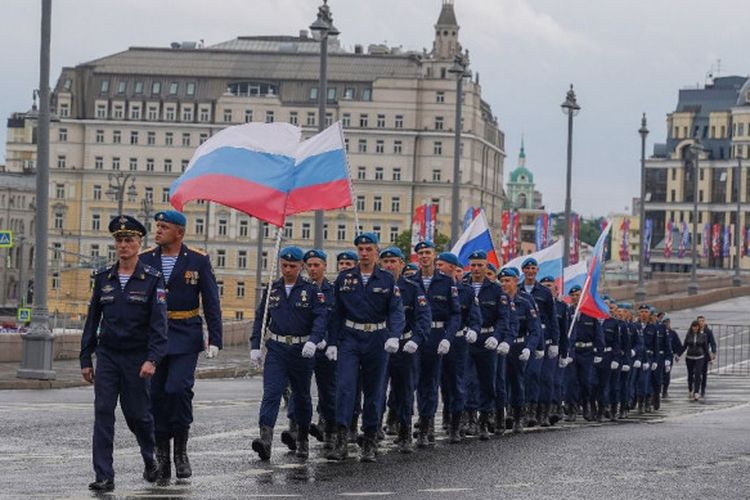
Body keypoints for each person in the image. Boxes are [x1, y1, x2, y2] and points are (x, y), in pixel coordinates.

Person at [80, 215, 168, 492]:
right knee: (104, 412)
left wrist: (152, 359)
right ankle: (104, 475)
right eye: (119, 240)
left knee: (137, 415)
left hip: (137, 358)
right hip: (107, 356)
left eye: (128, 239)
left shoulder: (152, 280)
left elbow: (159, 326)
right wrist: (85, 358)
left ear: (139, 243)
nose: (123, 245)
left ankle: (149, 456)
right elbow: (92, 321)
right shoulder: (103, 278)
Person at [139, 210, 222, 480]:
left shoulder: (197, 260)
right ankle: (162, 456)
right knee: (156, 395)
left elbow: (211, 301)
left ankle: (181, 451)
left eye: (164, 226)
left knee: (178, 389)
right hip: (154, 337)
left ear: (180, 233)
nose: (158, 230)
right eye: (158, 225)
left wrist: (215, 339)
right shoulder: (145, 259)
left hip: (186, 334)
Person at [326, 233, 405, 462]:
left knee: (374, 391)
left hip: (377, 338)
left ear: (376, 253)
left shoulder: (387, 280)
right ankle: (341, 439)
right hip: (350, 337)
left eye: (368, 249)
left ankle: (369, 439)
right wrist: (332, 342)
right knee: (345, 388)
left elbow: (396, 311)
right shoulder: (345, 279)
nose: (363, 253)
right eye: (360, 249)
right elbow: (336, 313)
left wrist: (394, 336)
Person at [249, 247, 327, 461]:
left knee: (301, 396)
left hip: (302, 351)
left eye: (293, 266)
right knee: (272, 392)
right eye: (284, 265)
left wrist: (314, 340)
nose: (288, 269)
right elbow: (261, 318)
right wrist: (255, 345)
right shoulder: (273, 289)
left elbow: (321, 318)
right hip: (277, 348)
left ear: (301, 266)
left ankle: (302, 438)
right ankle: (265, 439)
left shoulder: (311, 290)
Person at [379, 247, 431, 452]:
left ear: (401, 263)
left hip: (405, 345)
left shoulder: (412, 288)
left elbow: (423, 316)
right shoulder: (376, 286)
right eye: (386, 262)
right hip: (380, 345)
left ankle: (405, 432)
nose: (389, 265)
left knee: (405, 391)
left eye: (393, 261)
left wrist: (416, 340)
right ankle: (374, 432)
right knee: (377, 391)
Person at [413, 241, 460, 447]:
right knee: (413, 382)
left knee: (430, 382)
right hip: (415, 336)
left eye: (427, 253)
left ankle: (426, 424)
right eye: (420, 253)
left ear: (434, 256)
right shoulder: (410, 282)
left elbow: (455, 313)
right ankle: (415, 422)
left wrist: (447, 338)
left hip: (437, 335)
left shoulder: (447, 283)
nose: (424, 256)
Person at [438, 252, 481, 443]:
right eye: (437, 265)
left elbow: (474, 315)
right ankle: (440, 419)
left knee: (458, 383)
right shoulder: (432, 287)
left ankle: (457, 422)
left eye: (443, 265)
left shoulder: (467, 291)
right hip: (436, 340)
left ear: (454, 269)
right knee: (439, 383)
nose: (439, 268)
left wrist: (473, 329)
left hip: (457, 341)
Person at [520, 259, 560, 427]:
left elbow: (552, 319)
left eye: (533, 268)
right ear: (523, 270)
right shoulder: (518, 289)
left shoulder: (544, 292)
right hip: (523, 337)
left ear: (537, 270)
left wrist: (554, 342)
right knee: (523, 376)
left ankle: (541, 412)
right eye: (527, 268)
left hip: (542, 338)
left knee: (541, 377)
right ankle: (524, 410)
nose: (530, 271)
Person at [498, 267, 538, 433]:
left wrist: (529, 348)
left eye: (508, 280)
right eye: (502, 281)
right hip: (500, 347)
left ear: (516, 281)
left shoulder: (525, 302)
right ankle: (500, 415)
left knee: (517, 383)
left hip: (518, 347)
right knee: (500, 383)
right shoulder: (498, 300)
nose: (504, 284)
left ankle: (518, 416)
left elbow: (535, 330)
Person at [565, 285, 604, 422]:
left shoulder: (590, 313)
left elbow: (598, 334)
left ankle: (586, 404)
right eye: (573, 295)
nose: (576, 298)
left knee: (586, 381)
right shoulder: (567, 312)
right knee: (571, 381)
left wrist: (599, 351)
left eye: (578, 295)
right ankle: (572, 409)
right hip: (572, 351)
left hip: (587, 352)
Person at [677, 320, 710, 401]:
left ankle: (696, 392)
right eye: (693, 326)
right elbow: (684, 346)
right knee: (690, 375)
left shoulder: (703, 336)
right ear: (691, 327)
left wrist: (709, 358)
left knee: (698, 374)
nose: (695, 328)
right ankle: (690, 389)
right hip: (690, 357)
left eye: (696, 327)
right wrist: (678, 355)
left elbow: (705, 348)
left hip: (699, 357)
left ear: (698, 327)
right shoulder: (688, 335)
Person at [697, 315, 717, 398]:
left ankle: (703, 389)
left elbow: (712, 342)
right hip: (695, 355)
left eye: (702, 321)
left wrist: (713, 352)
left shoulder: (708, 331)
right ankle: (695, 389)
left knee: (704, 373)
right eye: (699, 321)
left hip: (704, 355)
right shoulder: (694, 330)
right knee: (696, 373)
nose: (701, 322)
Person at [662, 317, 681, 399]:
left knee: (666, 374)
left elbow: (678, 345)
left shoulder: (672, 333)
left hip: (668, 356)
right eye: (664, 322)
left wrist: (677, 354)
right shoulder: (660, 332)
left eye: (667, 322)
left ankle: (665, 391)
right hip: (659, 356)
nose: (666, 324)